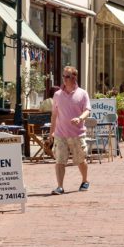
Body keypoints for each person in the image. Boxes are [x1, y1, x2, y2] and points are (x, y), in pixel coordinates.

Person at [50, 66, 91, 195]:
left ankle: (85, 180)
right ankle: (60, 186)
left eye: (67, 76)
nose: (64, 79)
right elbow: (54, 115)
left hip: (77, 134)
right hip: (60, 134)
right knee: (59, 161)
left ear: (74, 78)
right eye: (63, 76)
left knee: (80, 160)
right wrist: (51, 132)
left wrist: (80, 118)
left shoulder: (82, 93)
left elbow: (87, 111)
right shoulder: (57, 95)